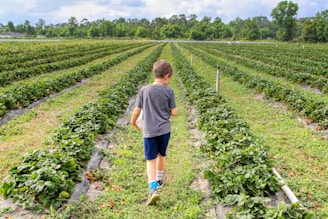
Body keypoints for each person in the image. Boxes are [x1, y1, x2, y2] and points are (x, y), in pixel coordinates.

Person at [131, 60, 178, 205]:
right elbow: (174, 112)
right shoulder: (169, 91)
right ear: (166, 75)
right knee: (161, 155)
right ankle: (159, 180)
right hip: (164, 131)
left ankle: (153, 189)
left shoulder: (144, 90)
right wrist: (171, 110)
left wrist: (133, 122)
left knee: (150, 160)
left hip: (149, 131)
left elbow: (137, 111)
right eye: (170, 78)